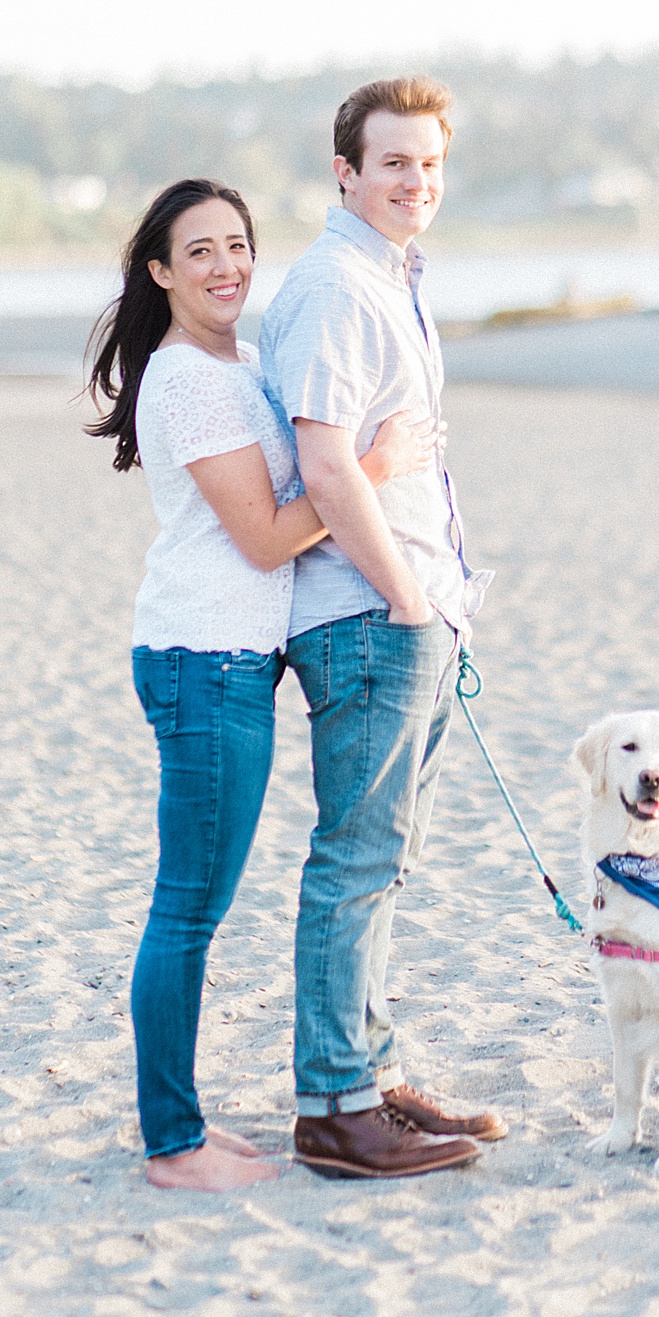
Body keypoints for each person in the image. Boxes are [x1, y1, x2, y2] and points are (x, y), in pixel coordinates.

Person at [84, 178, 430, 1191]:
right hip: (204, 662)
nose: (227, 265)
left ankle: (181, 1122)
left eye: (238, 245)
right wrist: (367, 465)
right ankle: (172, 1142)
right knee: (188, 904)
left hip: (233, 661)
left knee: (200, 898)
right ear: (159, 268)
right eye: (200, 251)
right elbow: (269, 531)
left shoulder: (236, 361)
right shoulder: (185, 376)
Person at [260, 75, 499, 1180]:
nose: (417, 182)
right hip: (366, 615)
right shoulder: (333, 287)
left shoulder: (388, 275)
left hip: (409, 608)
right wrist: (404, 593)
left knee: (386, 856)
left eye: (431, 164)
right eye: (395, 162)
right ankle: (335, 1105)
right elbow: (323, 459)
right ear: (346, 171)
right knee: (356, 857)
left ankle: (371, 1069)